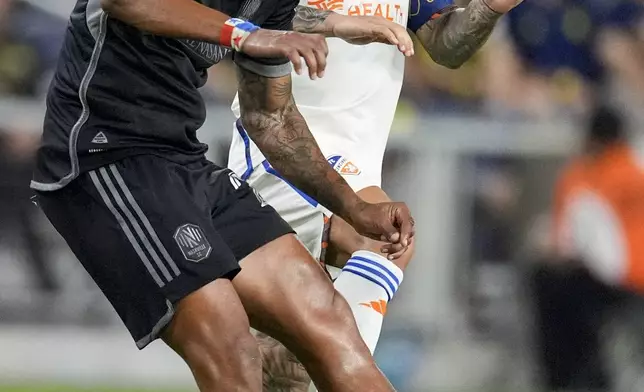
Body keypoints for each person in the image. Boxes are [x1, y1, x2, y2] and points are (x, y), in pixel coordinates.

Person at [30, 0, 417, 391]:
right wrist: (246, 34)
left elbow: (271, 118)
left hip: (184, 159)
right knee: (231, 344)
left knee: (329, 321)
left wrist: (355, 207)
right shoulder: (248, 27)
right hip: (105, 156)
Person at [228, 0, 524, 389]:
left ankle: (304, 361)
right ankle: (326, 365)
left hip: (354, 165)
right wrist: (341, 24)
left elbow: (444, 45)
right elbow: (249, 12)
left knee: (280, 376)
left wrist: (488, 8)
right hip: (280, 146)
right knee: (385, 237)